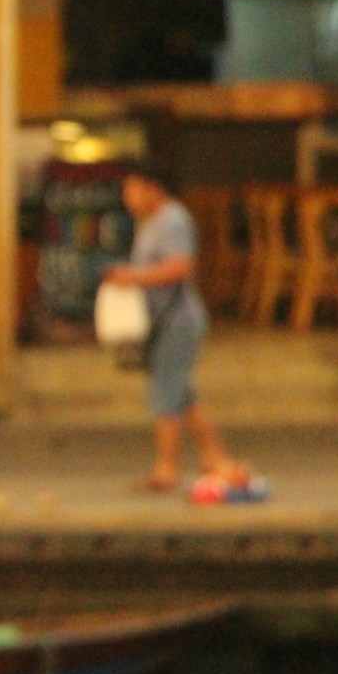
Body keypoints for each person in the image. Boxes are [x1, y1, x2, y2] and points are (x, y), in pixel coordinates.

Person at [104, 162, 234, 492]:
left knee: (165, 393)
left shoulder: (172, 220)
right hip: (160, 320)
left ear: (153, 188)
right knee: (182, 393)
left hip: (177, 319)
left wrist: (133, 277)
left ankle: (167, 467)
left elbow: (180, 267)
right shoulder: (148, 224)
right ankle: (215, 455)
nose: (127, 197)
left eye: (132, 188)